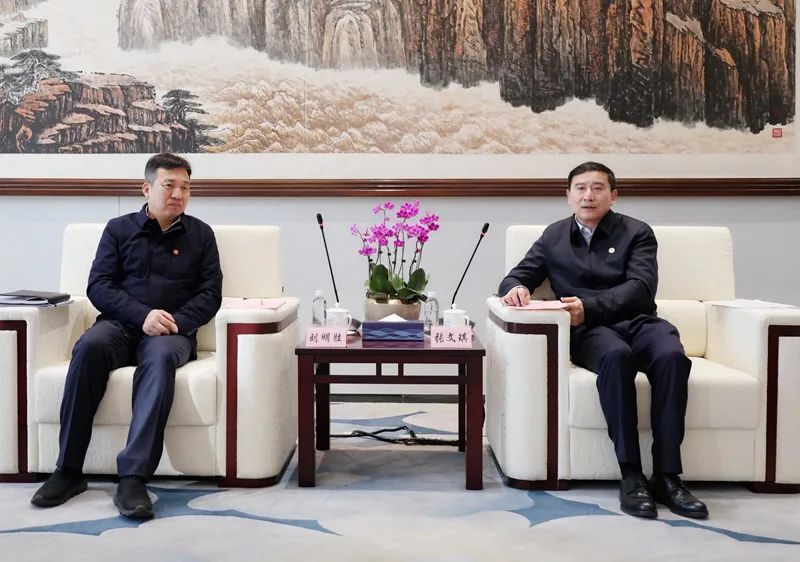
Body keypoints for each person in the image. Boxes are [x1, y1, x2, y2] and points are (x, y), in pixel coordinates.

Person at [499, 161, 708, 520]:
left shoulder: (637, 232)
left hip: (638, 321)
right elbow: (517, 276)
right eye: (580, 188)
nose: (588, 195)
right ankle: (631, 476)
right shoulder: (553, 236)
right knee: (617, 357)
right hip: (590, 333)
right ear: (568, 196)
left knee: (672, 356)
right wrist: (516, 288)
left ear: (613, 195)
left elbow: (641, 287)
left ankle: (668, 476)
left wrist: (589, 307)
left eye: (597, 188)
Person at [30, 153, 223, 519]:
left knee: (161, 359)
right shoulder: (118, 229)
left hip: (170, 330)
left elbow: (210, 293)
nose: (178, 194)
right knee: (89, 347)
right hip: (120, 325)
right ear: (146, 188)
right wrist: (141, 315)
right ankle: (68, 470)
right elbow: (99, 286)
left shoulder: (201, 235)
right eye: (169, 185)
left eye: (185, 188)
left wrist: (177, 322)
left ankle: (133, 478)